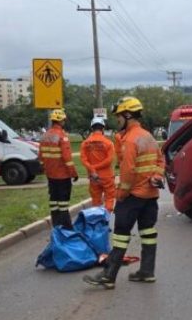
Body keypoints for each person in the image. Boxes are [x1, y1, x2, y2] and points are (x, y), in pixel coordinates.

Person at [84, 96, 164, 288]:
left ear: (128, 115)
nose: (117, 120)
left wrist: (121, 194)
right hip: (150, 196)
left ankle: (108, 276)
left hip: (133, 196)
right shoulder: (149, 137)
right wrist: (157, 177)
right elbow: (161, 162)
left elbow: (127, 172)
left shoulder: (131, 139)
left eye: (119, 116)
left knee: (120, 234)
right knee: (148, 233)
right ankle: (147, 271)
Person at [39, 108, 78, 229]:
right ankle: (66, 226)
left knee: (53, 202)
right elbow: (67, 158)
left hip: (50, 175)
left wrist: (44, 169)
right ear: (61, 121)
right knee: (63, 203)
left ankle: (56, 224)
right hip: (63, 175)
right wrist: (74, 173)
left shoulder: (45, 136)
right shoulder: (62, 136)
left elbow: (41, 156)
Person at [80, 116, 116, 212]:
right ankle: (106, 218)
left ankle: (97, 222)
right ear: (103, 128)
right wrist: (96, 167)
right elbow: (109, 160)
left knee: (96, 201)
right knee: (109, 198)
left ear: (92, 128)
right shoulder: (108, 143)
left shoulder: (85, 143)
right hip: (107, 176)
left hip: (93, 177)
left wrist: (92, 169)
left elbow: (83, 160)